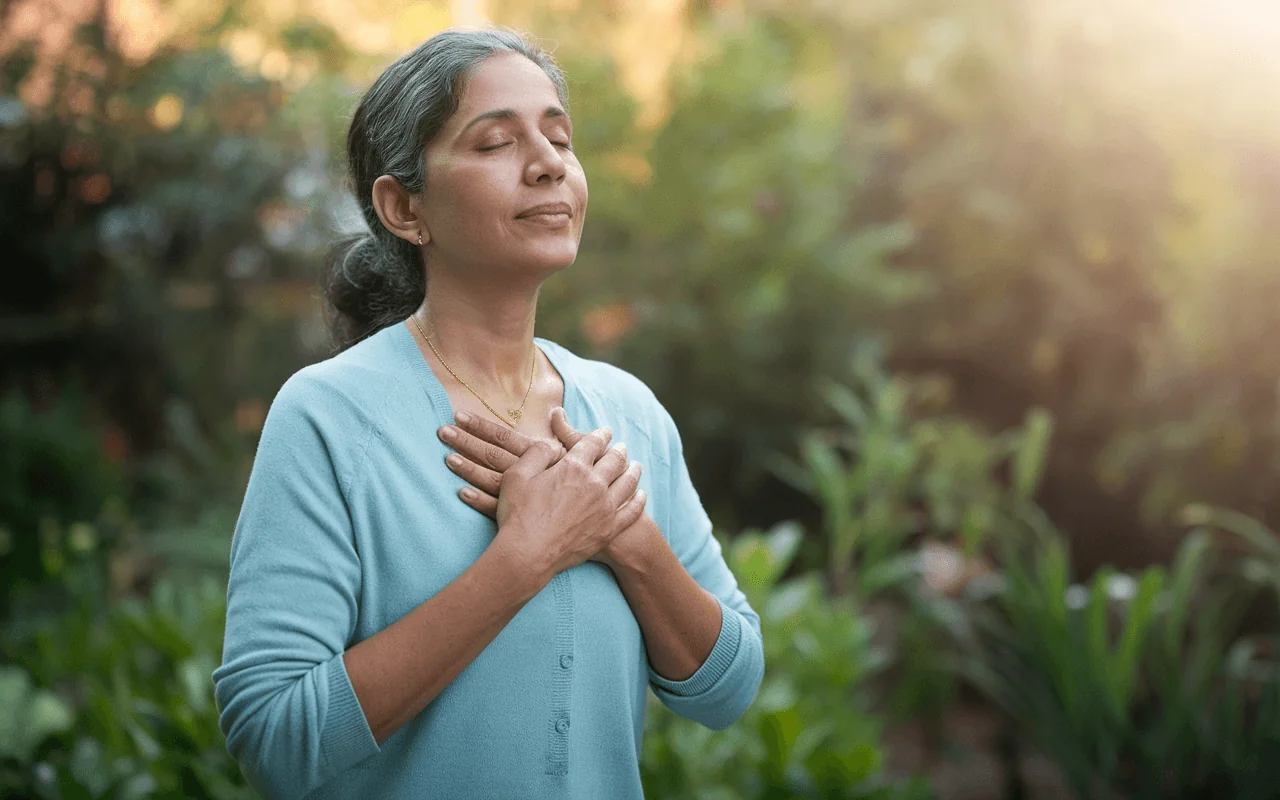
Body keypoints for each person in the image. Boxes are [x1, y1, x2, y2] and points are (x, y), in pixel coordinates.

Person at [212, 26, 764, 800]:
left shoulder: (628, 415)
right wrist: (524, 558)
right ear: (404, 208)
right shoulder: (329, 417)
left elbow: (728, 688)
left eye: (560, 137)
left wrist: (628, 537)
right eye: (496, 142)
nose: (548, 164)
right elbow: (275, 740)